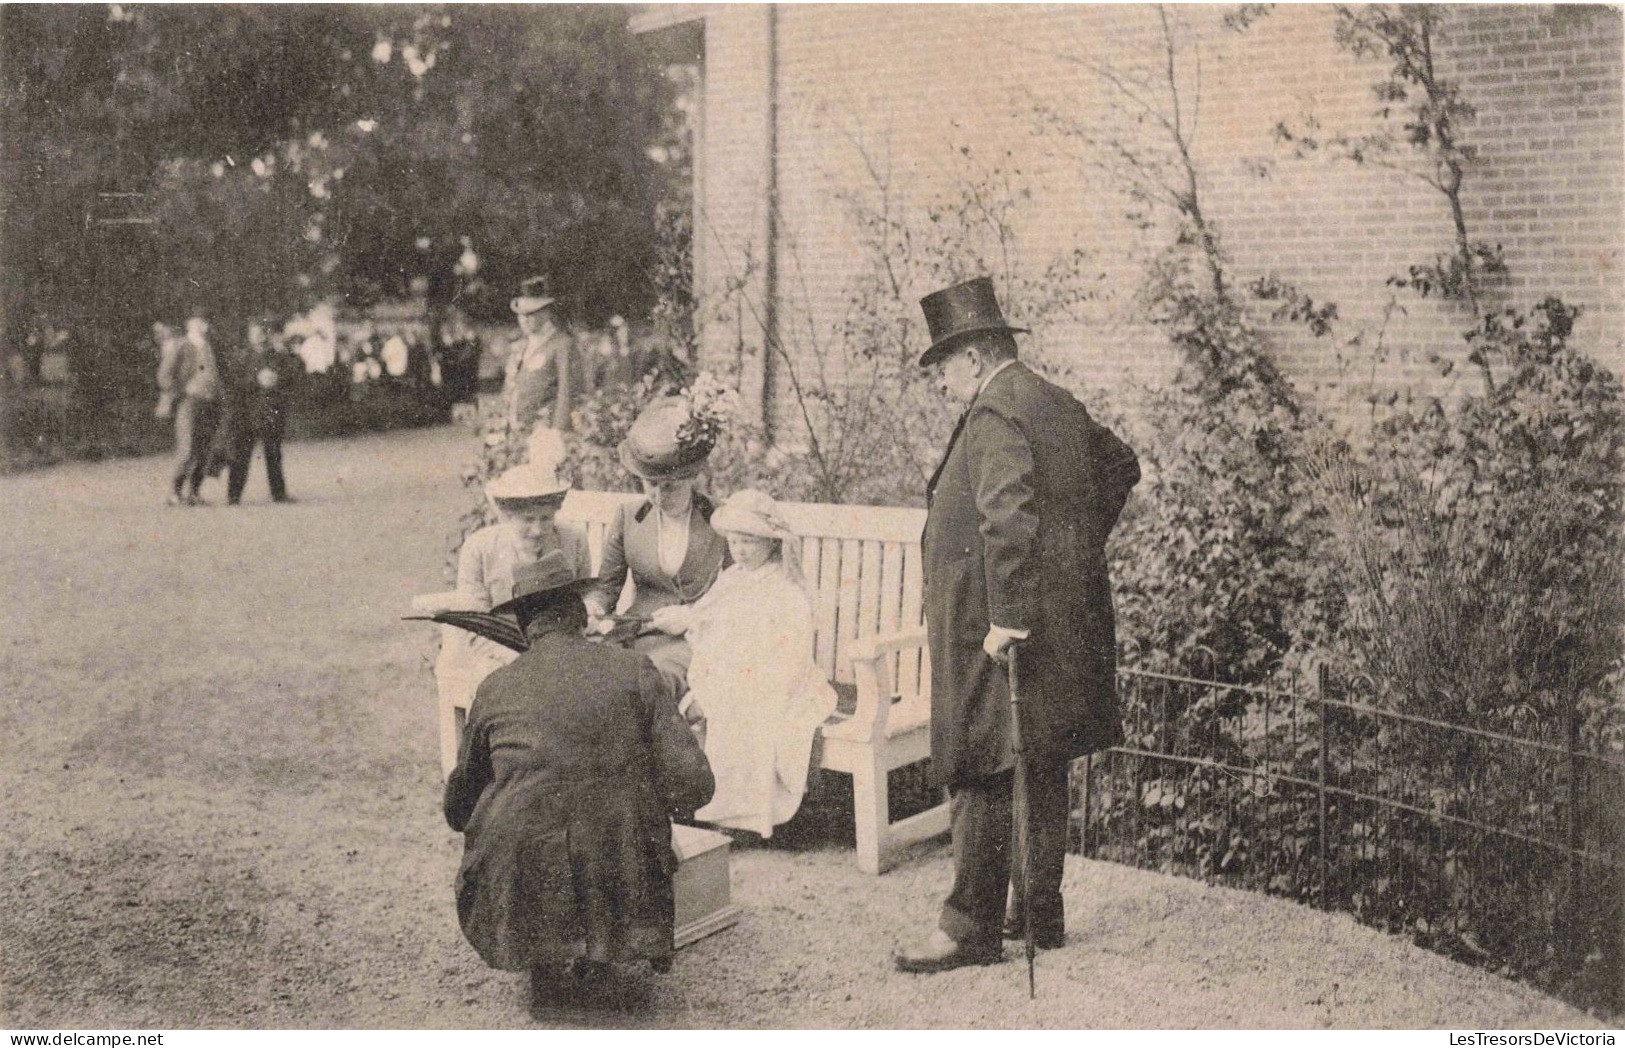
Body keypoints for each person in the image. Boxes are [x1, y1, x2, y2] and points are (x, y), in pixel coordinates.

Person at [893, 276, 1141, 974]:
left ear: (972, 357)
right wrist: (1071, 555)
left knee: (979, 764)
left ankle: (968, 928)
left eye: (940, 366)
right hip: (1057, 624)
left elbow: (1007, 519)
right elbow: (1121, 465)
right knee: (1039, 756)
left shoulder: (996, 411)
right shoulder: (1054, 402)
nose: (939, 381)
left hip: (996, 625)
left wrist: (1007, 617)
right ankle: (1037, 912)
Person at [443, 550, 715, 1007]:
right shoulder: (635, 670)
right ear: (578, 615)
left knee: (527, 824)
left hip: (523, 863)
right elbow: (694, 784)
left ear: (524, 626)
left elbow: (458, 805)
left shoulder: (495, 687)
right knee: (616, 819)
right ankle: (604, 950)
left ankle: (547, 954)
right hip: (618, 852)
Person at [649, 489, 837, 837]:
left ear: (771, 542)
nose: (741, 550)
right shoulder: (733, 579)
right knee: (701, 704)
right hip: (731, 673)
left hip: (777, 678)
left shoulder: (785, 588)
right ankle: (702, 806)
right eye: (734, 541)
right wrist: (686, 618)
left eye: (749, 541)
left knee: (743, 712)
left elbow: (787, 655)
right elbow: (708, 617)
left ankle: (742, 817)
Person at [435, 427, 591, 762]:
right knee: (503, 695)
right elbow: (476, 623)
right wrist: (518, 660)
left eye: (546, 518)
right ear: (506, 516)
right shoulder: (480, 549)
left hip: (559, 646)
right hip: (497, 652)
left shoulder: (573, 540)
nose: (538, 529)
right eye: (527, 521)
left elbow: (581, 605)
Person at [582, 396, 729, 707]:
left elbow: (742, 599)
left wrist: (693, 617)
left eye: (671, 485)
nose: (659, 494)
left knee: (648, 682)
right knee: (587, 676)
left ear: (692, 477)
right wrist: (593, 608)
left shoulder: (721, 521)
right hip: (632, 635)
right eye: (650, 484)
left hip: (692, 642)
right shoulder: (629, 517)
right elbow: (606, 589)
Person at [225, 319, 300, 505]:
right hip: (247, 414)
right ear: (249, 336)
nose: (259, 336)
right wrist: (256, 380)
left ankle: (279, 494)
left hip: (271, 412)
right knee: (241, 455)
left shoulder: (278, 356)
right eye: (255, 333)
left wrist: (276, 379)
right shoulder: (241, 357)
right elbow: (234, 384)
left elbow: (291, 378)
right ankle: (233, 495)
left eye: (262, 332)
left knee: (273, 453)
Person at [155, 309, 223, 506]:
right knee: (187, 449)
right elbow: (164, 375)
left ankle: (194, 492)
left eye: (204, 321)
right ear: (189, 324)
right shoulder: (181, 345)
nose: (202, 325)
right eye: (197, 321)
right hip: (189, 402)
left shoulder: (210, 346)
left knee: (205, 449)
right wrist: (179, 391)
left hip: (210, 401)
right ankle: (175, 493)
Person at [502, 276, 574, 438]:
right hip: (517, 430)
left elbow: (566, 391)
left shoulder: (561, 344)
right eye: (521, 315)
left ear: (546, 312)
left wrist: (558, 431)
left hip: (544, 432)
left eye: (530, 314)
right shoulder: (523, 345)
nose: (524, 320)